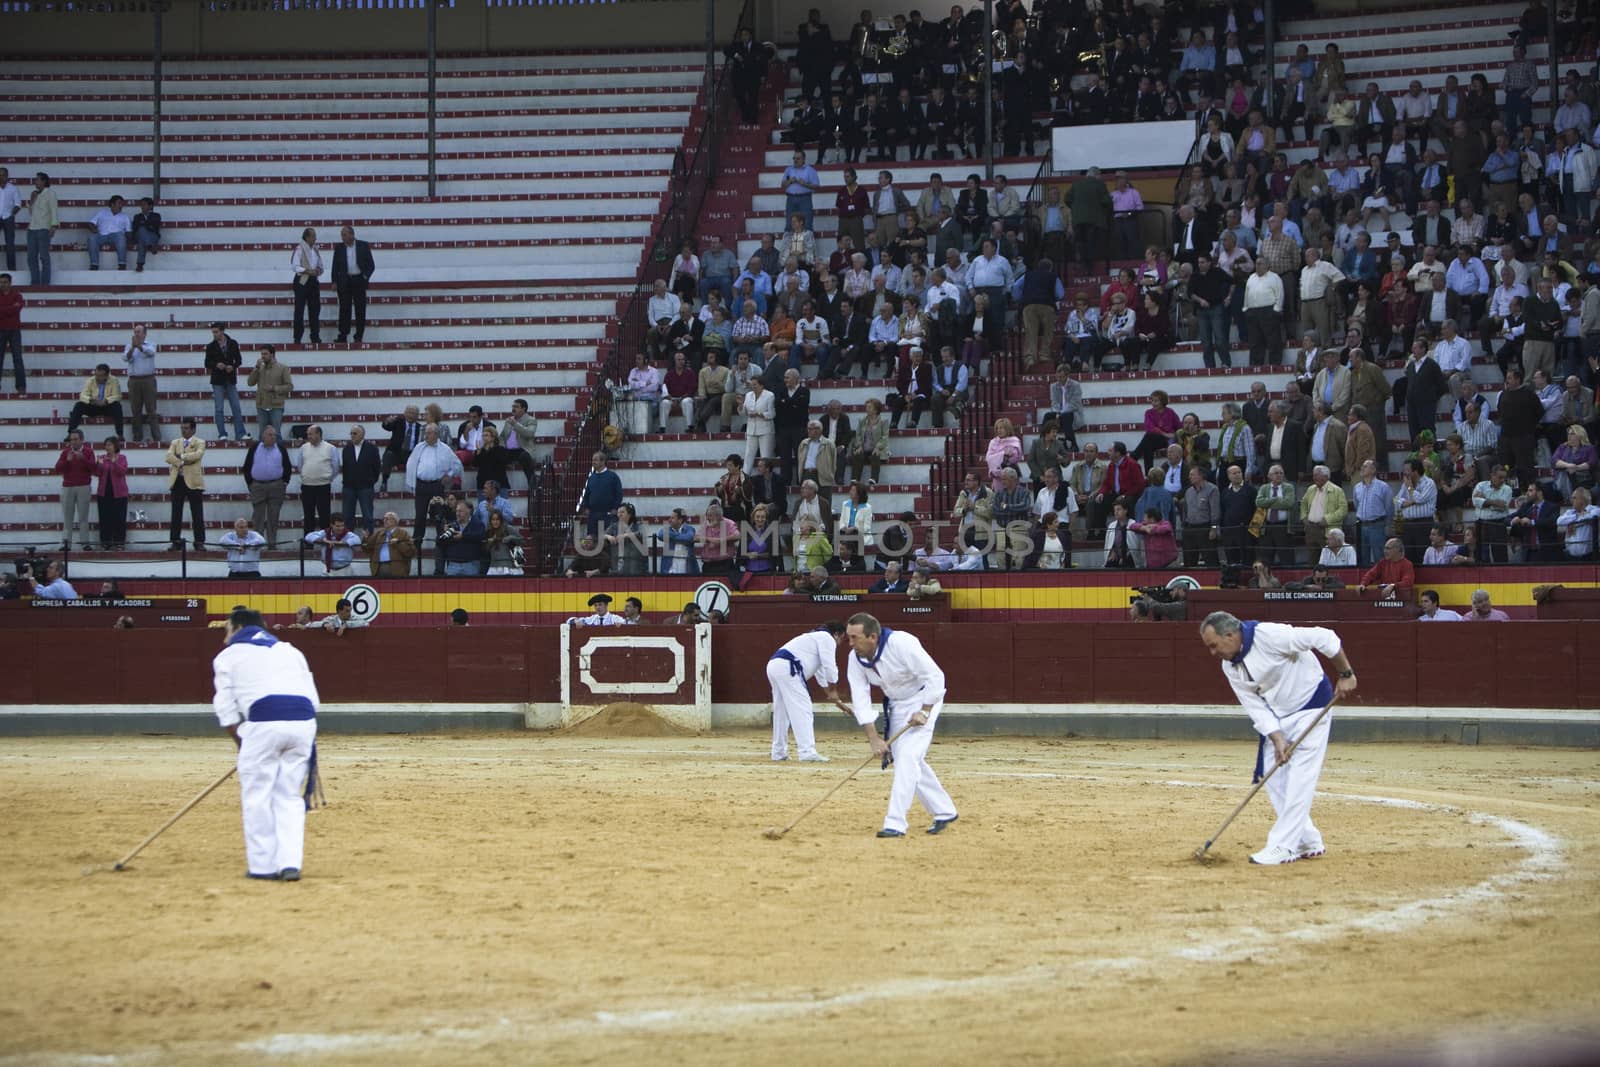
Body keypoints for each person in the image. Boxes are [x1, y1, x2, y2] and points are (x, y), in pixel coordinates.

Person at [1199, 611, 1358, 865]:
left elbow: (1325, 637)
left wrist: (1346, 673)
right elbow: (1254, 706)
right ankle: (1308, 840)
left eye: (1214, 645)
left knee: (1299, 780)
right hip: (1279, 716)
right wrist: (1276, 738)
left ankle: (1283, 846)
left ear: (1230, 635)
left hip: (1312, 707)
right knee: (1273, 779)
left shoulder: (1270, 635)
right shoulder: (1230, 666)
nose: (1213, 652)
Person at [210, 605, 320, 881]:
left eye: (226, 630)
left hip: (264, 723)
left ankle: (263, 865)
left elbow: (226, 711)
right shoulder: (290, 650)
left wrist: (243, 746)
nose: (225, 637)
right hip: (303, 724)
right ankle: (289, 863)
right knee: (288, 794)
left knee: (258, 794)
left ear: (236, 628)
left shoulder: (228, 656)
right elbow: (314, 701)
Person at [843, 613, 959, 839]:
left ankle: (895, 823)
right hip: (896, 705)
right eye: (849, 638)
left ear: (873, 637)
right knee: (909, 758)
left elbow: (935, 676)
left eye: (855, 638)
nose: (850, 644)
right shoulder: (855, 658)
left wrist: (924, 710)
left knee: (907, 757)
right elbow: (860, 697)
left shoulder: (902, 643)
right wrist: (873, 737)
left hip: (924, 697)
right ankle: (944, 810)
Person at [768, 620, 847, 764]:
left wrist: (832, 696)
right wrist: (834, 691)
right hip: (789, 668)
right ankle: (807, 752)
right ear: (837, 634)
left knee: (782, 711)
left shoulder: (813, 638)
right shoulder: (826, 638)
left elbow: (821, 674)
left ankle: (778, 752)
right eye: (842, 638)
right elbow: (830, 665)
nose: (841, 643)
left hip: (775, 665)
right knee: (803, 708)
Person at [166, 419, 206, 550]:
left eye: (187, 428)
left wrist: (180, 456)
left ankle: (199, 542)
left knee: (197, 514)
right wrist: (182, 462)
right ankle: (175, 541)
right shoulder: (175, 442)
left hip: (194, 482)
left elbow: (197, 456)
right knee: (175, 513)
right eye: (182, 428)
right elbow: (168, 457)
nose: (184, 430)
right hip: (178, 480)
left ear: (193, 429)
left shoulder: (200, 442)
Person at [204, 322, 249, 443]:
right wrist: (216, 365)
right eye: (213, 332)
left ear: (222, 331)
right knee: (219, 408)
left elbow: (239, 360)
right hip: (218, 379)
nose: (214, 334)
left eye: (216, 332)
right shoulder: (210, 346)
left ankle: (240, 433)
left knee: (236, 406)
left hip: (229, 378)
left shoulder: (233, 343)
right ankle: (222, 433)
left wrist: (232, 366)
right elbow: (207, 363)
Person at [331, 224, 375, 343]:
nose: (342, 237)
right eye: (342, 235)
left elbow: (371, 265)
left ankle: (359, 336)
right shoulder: (339, 248)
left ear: (352, 234)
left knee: (360, 309)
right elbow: (335, 266)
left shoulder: (363, 245)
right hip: (344, 281)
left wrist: (364, 277)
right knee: (344, 309)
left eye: (344, 234)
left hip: (359, 280)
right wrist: (334, 281)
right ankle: (343, 335)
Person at [123, 324, 159, 443]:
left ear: (145, 333)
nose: (136, 334)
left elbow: (151, 353)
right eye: (135, 332)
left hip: (148, 379)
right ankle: (137, 438)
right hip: (134, 380)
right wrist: (133, 348)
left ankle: (156, 438)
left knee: (151, 410)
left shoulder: (151, 344)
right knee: (135, 411)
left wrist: (139, 347)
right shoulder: (129, 346)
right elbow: (125, 358)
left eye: (139, 332)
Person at [248, 345, 293, 438]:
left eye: (265, 354)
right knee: (262, 435)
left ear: (272, 355)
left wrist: (274, 388)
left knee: (276, 434)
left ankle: (278, 452)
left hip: (276, 405)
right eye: (262, 354)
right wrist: (256, 368)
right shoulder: (259, 368)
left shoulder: (282, 368)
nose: (263, 356)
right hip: (261, 405)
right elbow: (250, 382)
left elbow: (289, 386)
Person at [69, 363, 123, 439]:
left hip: (107, 406)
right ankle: (70, 434)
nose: (97, 377)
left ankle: (120, 435)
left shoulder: (114, 380)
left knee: (117, 406)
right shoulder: (91, 380)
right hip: (93, 406)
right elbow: (82, 396)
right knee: (79, 405)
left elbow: (118, 396)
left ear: (107, 376)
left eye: (100, 376)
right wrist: (91, 400)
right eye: (96, 375)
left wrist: (106, 401)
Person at [93, 435, 129, 550]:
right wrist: (98, 464)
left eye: (109, 445)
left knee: (119, 518)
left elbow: (122, 472)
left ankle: (119, 542)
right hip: (104, 492)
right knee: (104, 518)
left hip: (119, 493)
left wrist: (114, 462)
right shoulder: (102, 457)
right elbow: (97, 473)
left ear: (115, 446)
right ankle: (106, 542)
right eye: (106, 445)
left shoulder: (122, 458)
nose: (107, 447)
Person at [289, 226, 323, 345]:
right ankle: (297, 337)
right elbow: (295, 266)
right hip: (302, 280)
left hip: (313, 281)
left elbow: (320, 264)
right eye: (313, 236)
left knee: (315, 310)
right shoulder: (299, 248)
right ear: (307, 237)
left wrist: (318, 270)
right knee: (299, 310)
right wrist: (309, 271)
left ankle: (315, 336)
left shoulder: (315, 249)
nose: (315, 238)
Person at [364, 512, 418, 578]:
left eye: (387, 519)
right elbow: (367, 548)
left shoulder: (403, 533)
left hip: (396, 569)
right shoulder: (378, 533)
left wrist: (399, 543)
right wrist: (365, 539)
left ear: (395, 521)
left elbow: (411, 552)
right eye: (384, 519)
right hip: (379, 568)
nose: (384, 521)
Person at [0, 271, 22, 392]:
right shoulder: (16, 297)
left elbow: (17, 308)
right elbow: (14, 310)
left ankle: (21, 386)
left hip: (14, 330)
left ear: (10, 283)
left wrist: (3, 311)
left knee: (18, 359)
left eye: (5, 282)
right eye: (1, 282)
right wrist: (11, 309)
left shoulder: (17, 295)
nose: (2, 285)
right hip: (1, 330)